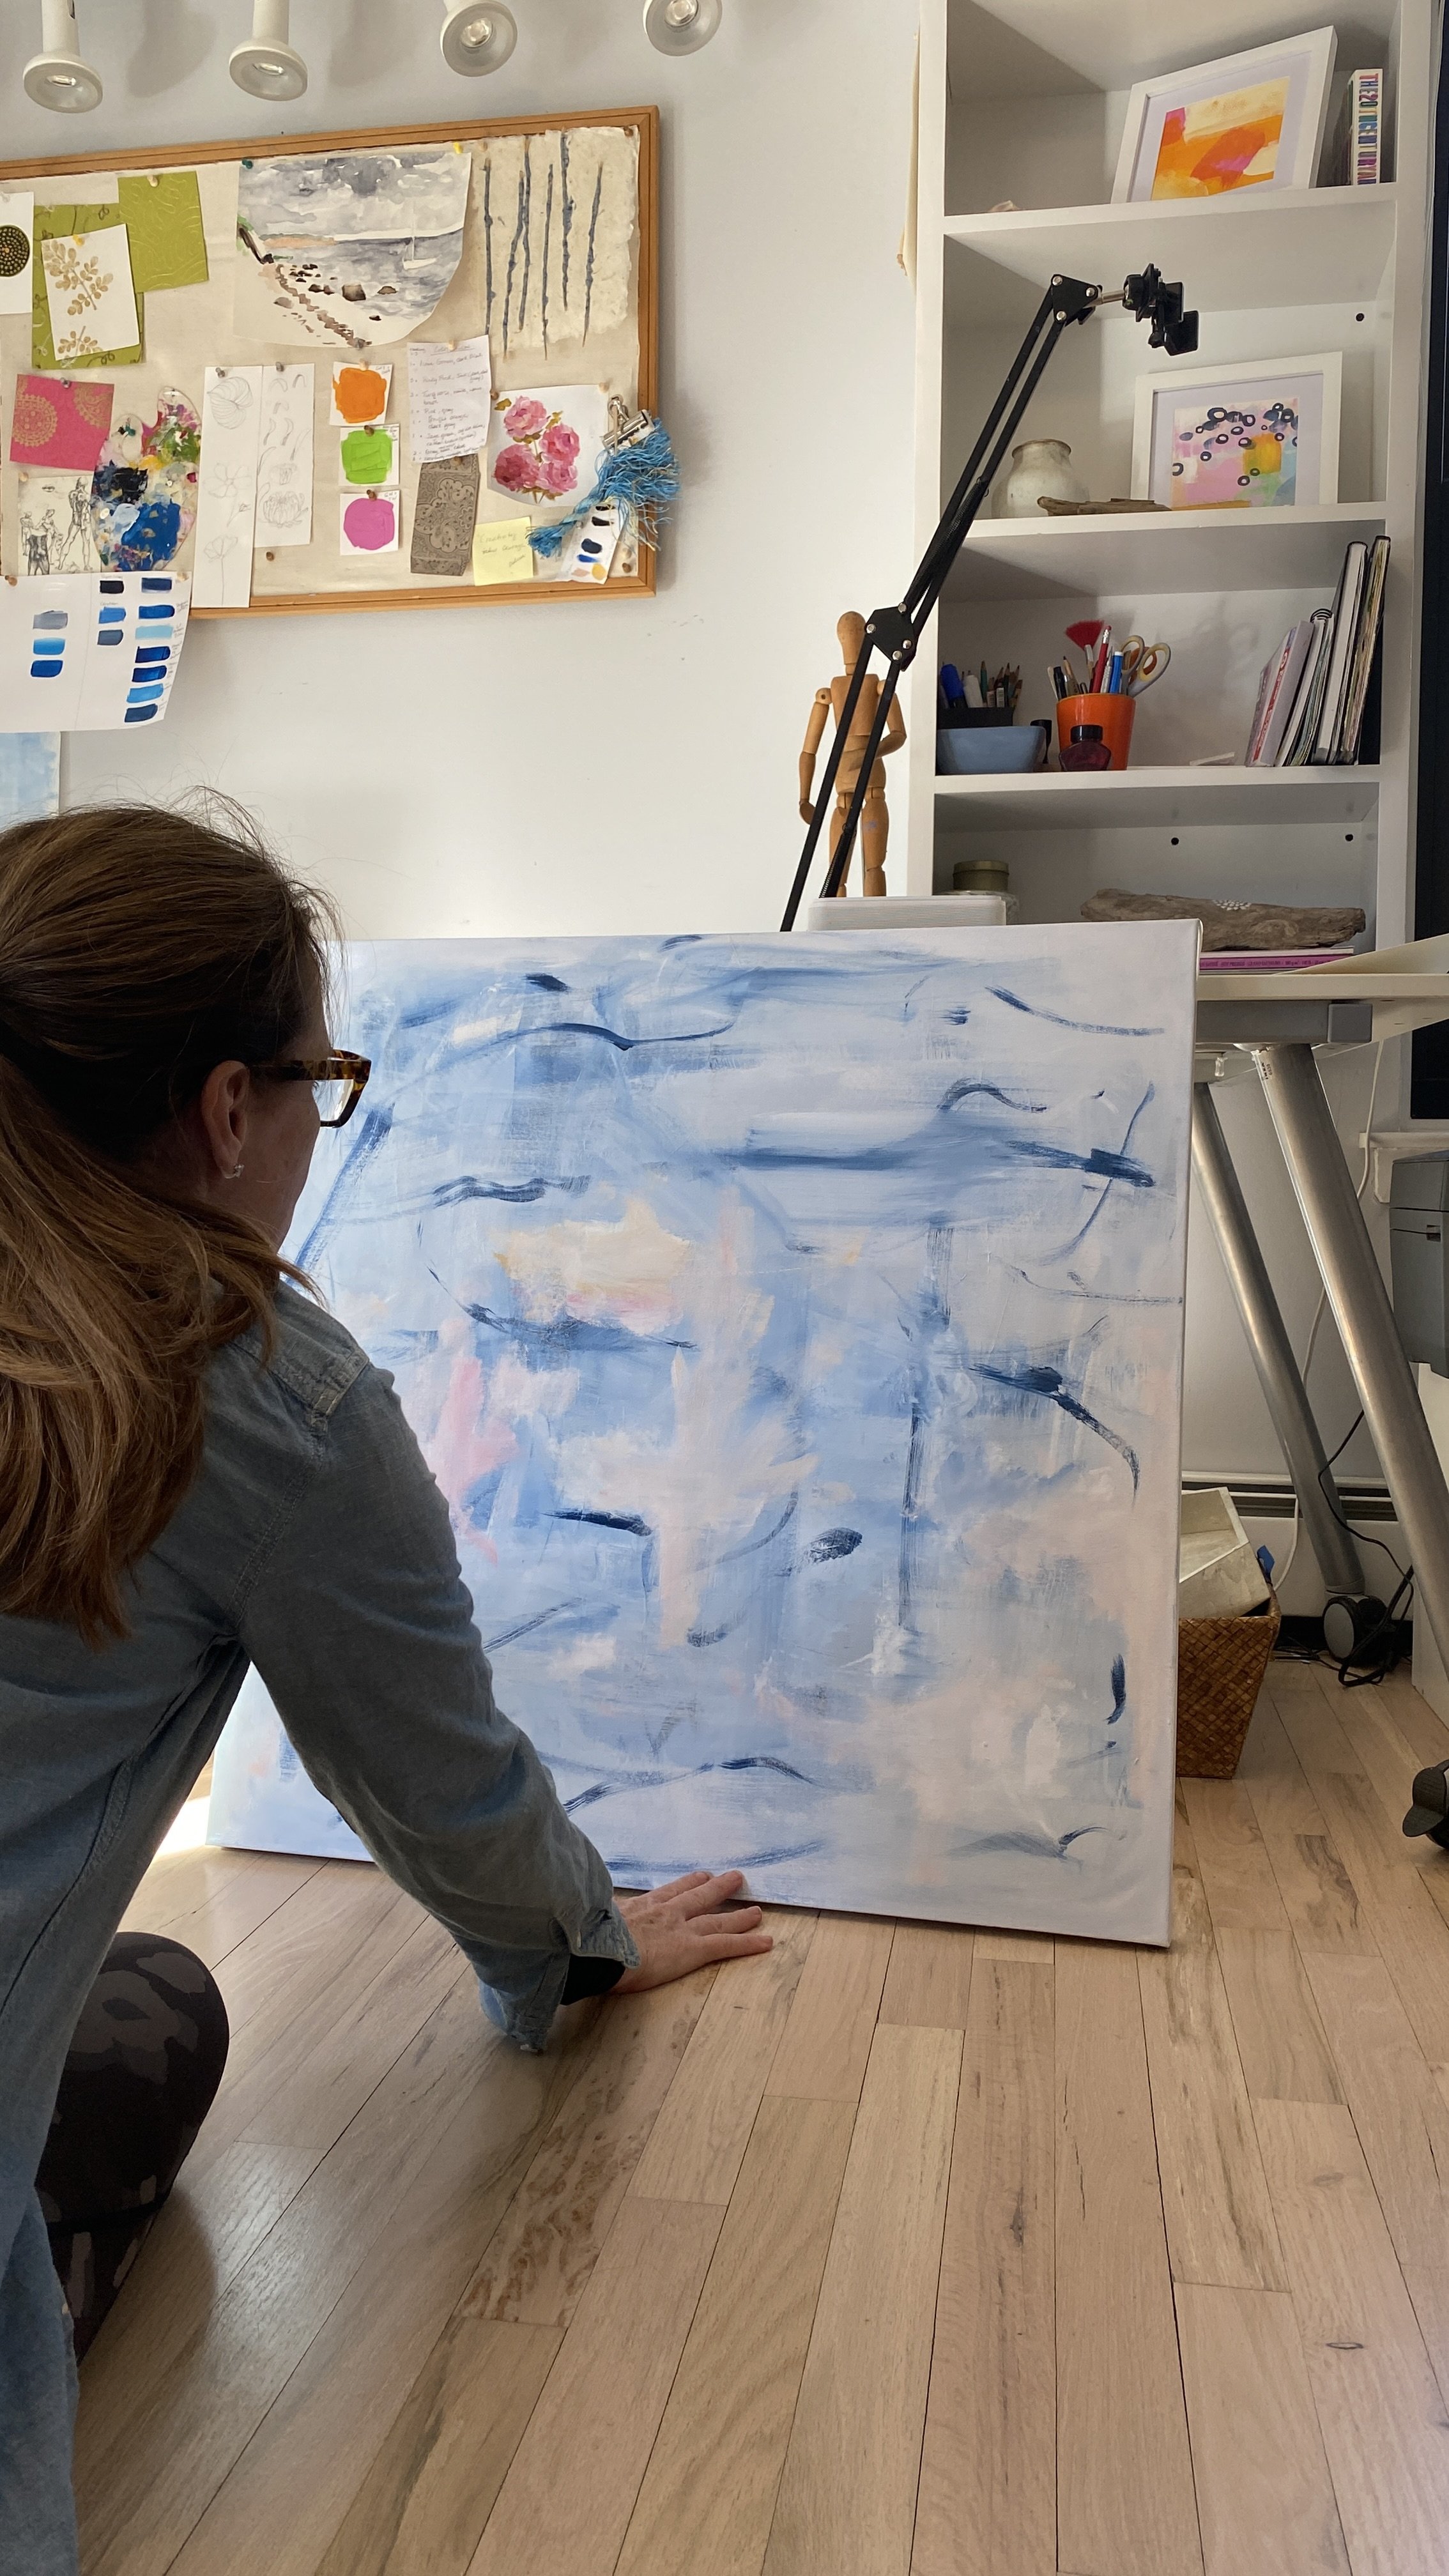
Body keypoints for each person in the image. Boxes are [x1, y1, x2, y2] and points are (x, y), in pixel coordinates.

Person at [0, 801, 772, 2576]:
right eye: (318, 1085)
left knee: (150, 1989)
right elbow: (440, 1782)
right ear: (227, 1111)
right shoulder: (247, 1392)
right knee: (151, 2023)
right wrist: (574, 1950)